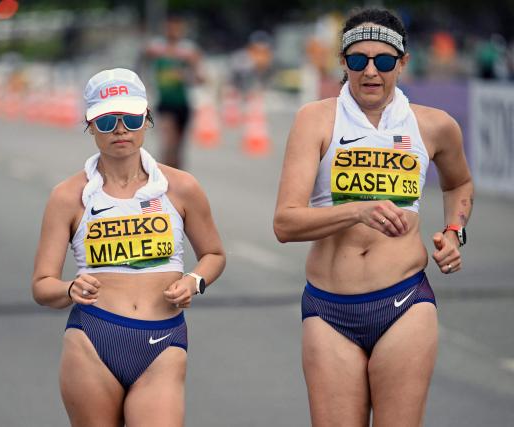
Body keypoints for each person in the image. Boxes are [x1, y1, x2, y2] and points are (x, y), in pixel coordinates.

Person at [273, 8, 473, 426]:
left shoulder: (434, 125)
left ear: (402, 63)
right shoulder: (316, 119)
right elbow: (285, 223)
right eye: (357, 60)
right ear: (342, 62)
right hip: (330, 308)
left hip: (404, 301)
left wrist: (453, 232)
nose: (370, 71)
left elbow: (458, 184)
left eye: (383, 61)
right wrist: (356, 211)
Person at [31, 68, 225, 426]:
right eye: (106, 121)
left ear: (147, 118)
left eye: (132, 118)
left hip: (163, 340)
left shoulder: (181, 187)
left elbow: (214, 254)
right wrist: (70, 288)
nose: (120, 129)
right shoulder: (66, 197)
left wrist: (194, 281)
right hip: (92, 339)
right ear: (89, 125)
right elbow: (42, 286)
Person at [141, 13, 205, 169]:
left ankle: (177, 179)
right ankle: (164, 177)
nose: (173, 31)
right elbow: (140, 63)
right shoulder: (156, 48)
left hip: (183, 102)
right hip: (163, 102)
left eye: (177, 28)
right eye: (170, 27)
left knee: (178, 147)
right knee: (168, 141)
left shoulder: (189, 50)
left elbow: (201, 78)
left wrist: (185, 75)